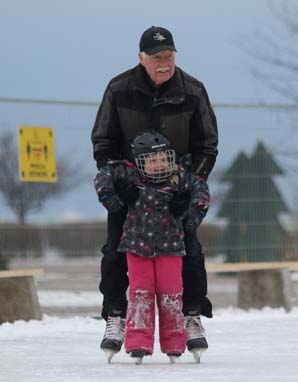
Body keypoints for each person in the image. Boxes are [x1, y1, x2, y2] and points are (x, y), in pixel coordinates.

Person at [91, 26, 218, 362]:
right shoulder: (119, 89)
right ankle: (116, 315)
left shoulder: (193, 91)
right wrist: (118, 182)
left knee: (189, 252)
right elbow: (103, 140)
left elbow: (207, 144)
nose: (164, 63)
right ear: (141, 58)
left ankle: (191, 315)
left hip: (174, 191)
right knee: (116, 251)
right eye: (157, 57)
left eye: (169, 56)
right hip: (129, 191)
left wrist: (188, 186)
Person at [94, 131, 210, 364]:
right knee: (140, 295)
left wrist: (193, 215)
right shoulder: (131, 177)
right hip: (137, 250)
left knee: (171, 295)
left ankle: (175, 343)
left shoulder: (178, 177)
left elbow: (201, 189)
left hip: (170, 250)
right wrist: (110, 198)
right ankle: (138, 343)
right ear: (140, 162)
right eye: (152, 160)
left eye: (163, 159)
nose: (159, 165)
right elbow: (103, 176)